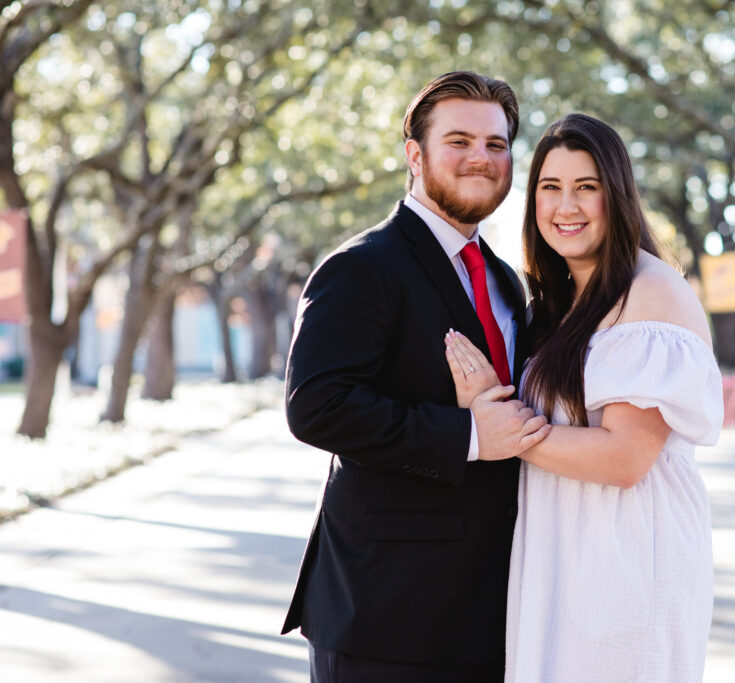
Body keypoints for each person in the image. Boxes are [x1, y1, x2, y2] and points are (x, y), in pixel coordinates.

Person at [282, 71, 550, 683]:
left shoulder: (507, 280)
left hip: (490, 611)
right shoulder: (360, 267)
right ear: (415, 155)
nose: (481, 159)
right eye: (459, 141)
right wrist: (470, 435)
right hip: (387, 613)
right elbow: (317, 405)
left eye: (497, 144)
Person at [444, 113, 724, 682]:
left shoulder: (651, 295)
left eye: (586, 188)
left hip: (624, 562)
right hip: (566, 557)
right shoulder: (567, 298)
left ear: (616, 196)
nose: (565, 207)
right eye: (550, 188)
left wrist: (498, 419)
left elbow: (625, 459)